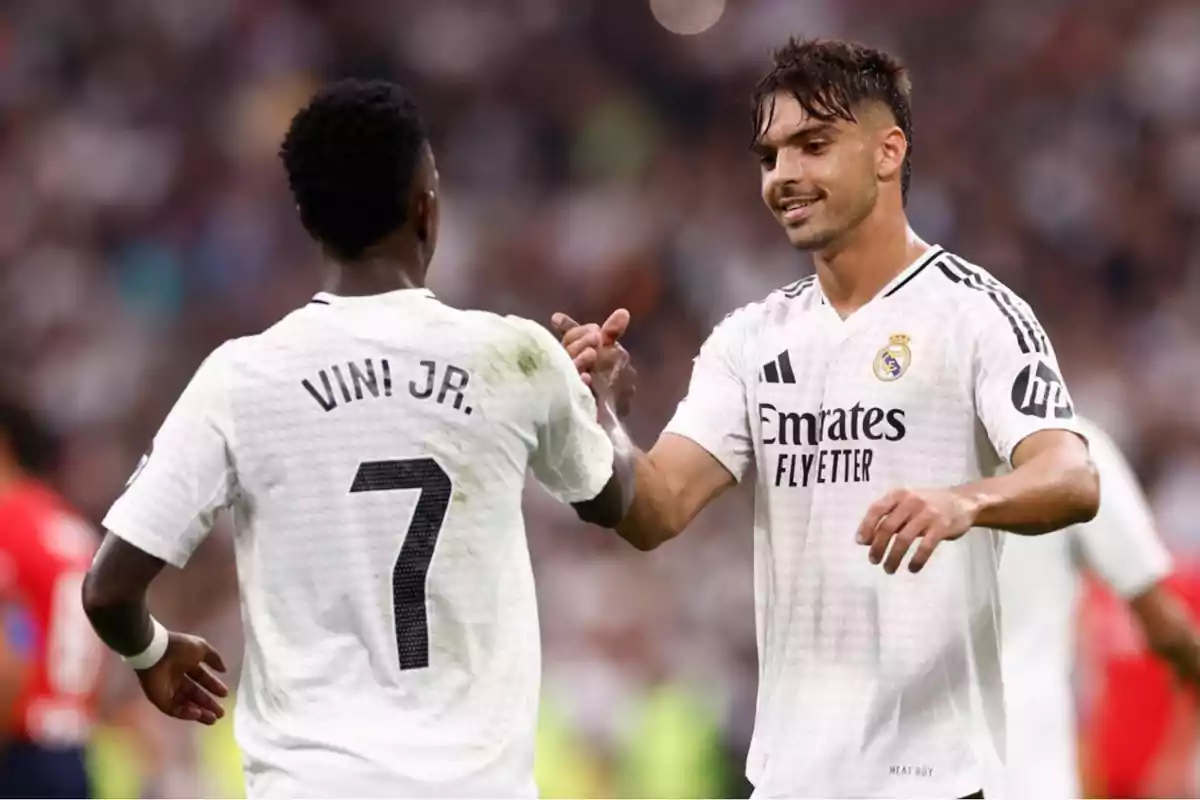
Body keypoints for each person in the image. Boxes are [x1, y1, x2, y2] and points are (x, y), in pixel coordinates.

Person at [554, 38, 1099, 799]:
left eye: (813, 145)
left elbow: (1072, 476)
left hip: (931, 780)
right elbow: (654, 509)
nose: (784, 176)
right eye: (770, 155)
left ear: (887, 151)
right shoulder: (749, 338)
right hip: (789, 779)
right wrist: (599, 415)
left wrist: (963, 501)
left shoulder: (975, 313)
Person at [81, 79, 632, 799]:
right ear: (426, 210)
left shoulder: (242, 377)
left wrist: (151, 650)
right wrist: (611, 407)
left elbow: (107, 591)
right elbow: (613, 499)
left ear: (307, 218)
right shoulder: (517, 356)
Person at [999, 416, 1200, 799]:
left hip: (899, 766)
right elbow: (1164, 623)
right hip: (1020, 764)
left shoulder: (888, 451)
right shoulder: (1073, 445)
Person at [0, 397, 105, 798]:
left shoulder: (7, 524)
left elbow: (10, 649)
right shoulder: (72, 530)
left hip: (17, 751)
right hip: (72, 746)